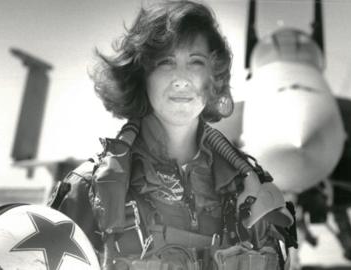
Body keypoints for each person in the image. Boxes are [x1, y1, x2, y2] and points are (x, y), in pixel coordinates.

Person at [49, 1, 296, 269]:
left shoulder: (248, 190)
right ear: (142, 75)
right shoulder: (90, 191)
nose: (182, 79)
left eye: (196, 62)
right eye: (166, 62)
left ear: (213, 78)